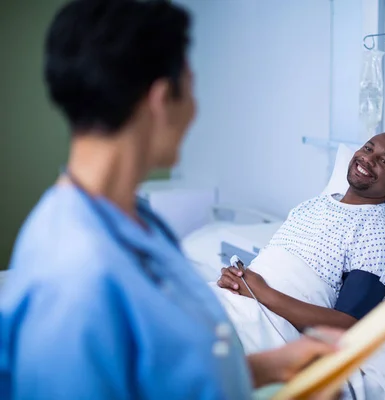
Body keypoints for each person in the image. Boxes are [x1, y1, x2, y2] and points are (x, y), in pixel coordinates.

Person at [0, 1, 342, 399]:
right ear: (161, 99)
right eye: (192, 88)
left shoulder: (132, 218)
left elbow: (162, 375)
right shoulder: (75, 273)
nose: (195, 111)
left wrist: (275, 365)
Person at [214, 132, 385, 353]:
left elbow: (348, 325)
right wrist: (236, 278)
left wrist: (260, 291)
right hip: (234, 301)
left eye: (383, 161)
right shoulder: (313, 205)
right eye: (368, 149)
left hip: (268, 325)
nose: (368, 159)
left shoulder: (377, 234)